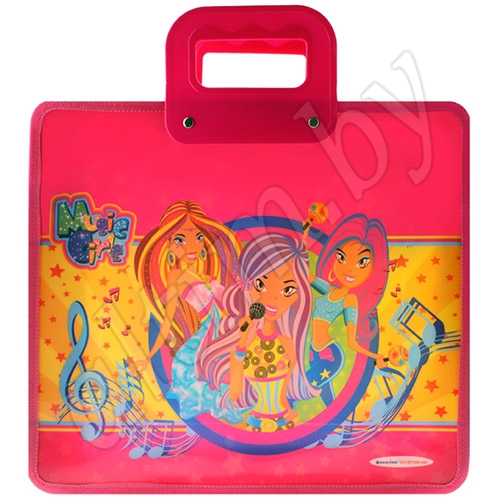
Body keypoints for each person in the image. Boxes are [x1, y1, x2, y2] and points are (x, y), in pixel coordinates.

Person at [200, 233, 320, 432]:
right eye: (261, 285)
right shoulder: (242, 346)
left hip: (286, 420)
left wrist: (291, 413)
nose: (273, 298)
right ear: (248, 285)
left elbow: (283, 394)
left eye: (288, 290)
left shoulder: (288, 344)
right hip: (254, 422)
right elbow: (235, 394)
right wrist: (242, 344)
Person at [134, 200, 242, 422]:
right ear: (169, 243)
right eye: (180, 240)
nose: (191, 246)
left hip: (221, 331)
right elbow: (167, 321)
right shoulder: (175, 277)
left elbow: (229, 303)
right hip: (204, 338)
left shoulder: (208, 275)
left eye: (198, 237)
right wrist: (149, 357)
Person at [305, 214, 389, 405]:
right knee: (326, 396)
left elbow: (352, 342)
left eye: (362, 263)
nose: (350, 269)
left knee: (301, 388)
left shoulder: (350, 300)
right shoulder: (330, 290)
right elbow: (307, 276)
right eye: (342, 258)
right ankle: (339, 423)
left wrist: (375, 356)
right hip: (314, 350)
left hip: (330, 354)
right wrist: (304, 235)